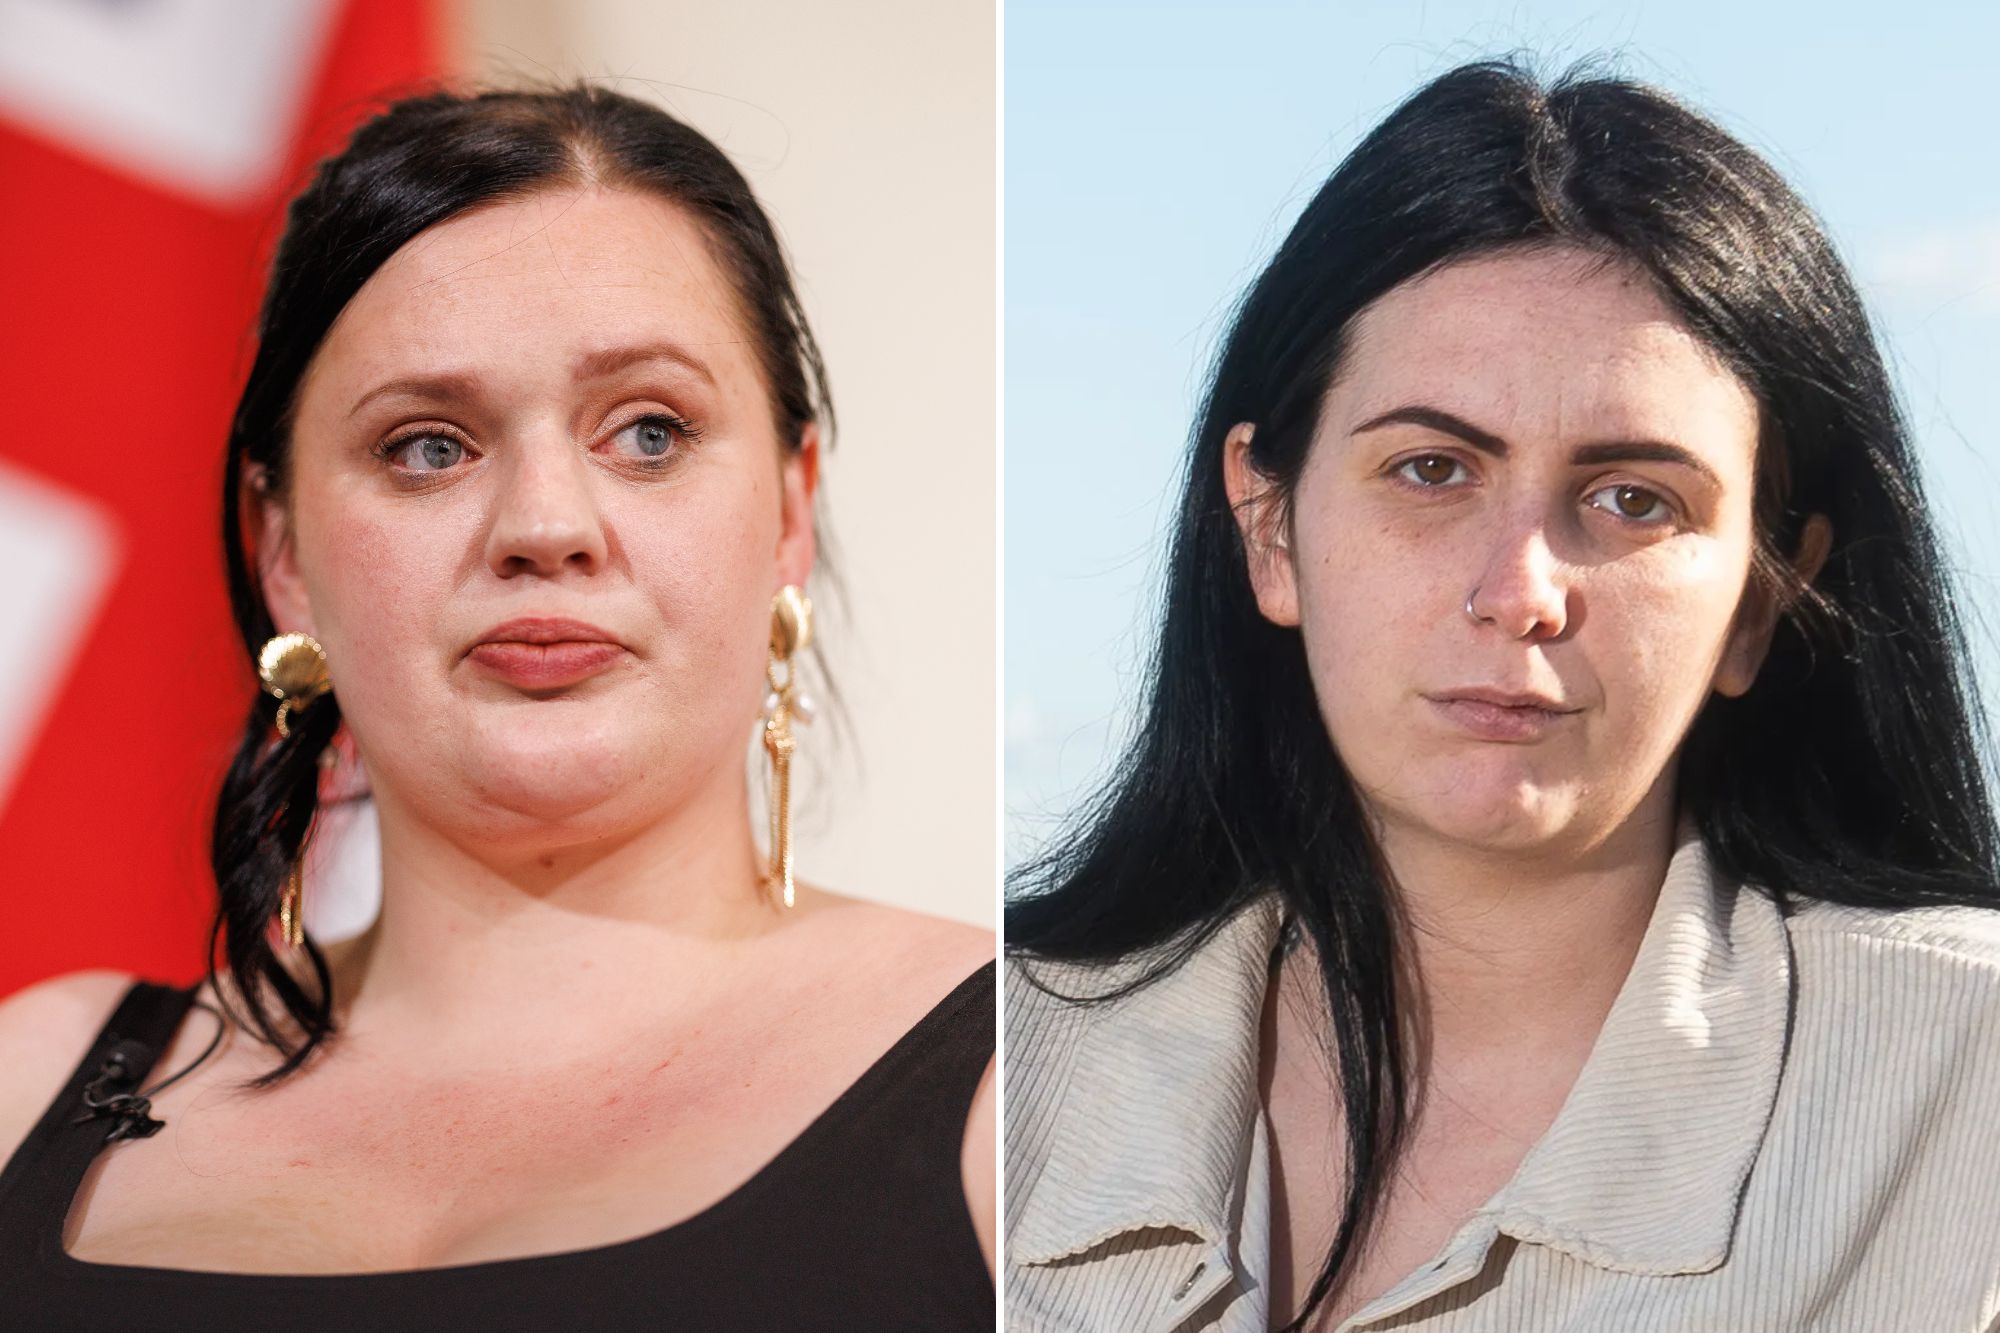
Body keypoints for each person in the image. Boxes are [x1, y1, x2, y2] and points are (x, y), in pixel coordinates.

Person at [1004, 59, 2000, 1332]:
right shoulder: (991, 1061)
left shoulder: (1964, 1083)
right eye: (1430, 468)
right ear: (1268, 529)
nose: (1519, 589)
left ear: (1761, 596)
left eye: (1632, 498)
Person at [0, 84, 995, 1329]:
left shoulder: (1030, 1094)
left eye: (646, 431)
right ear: (284, 549)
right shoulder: (33, 1083)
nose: (544, 526)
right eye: (427, 445)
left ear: (789, 511)